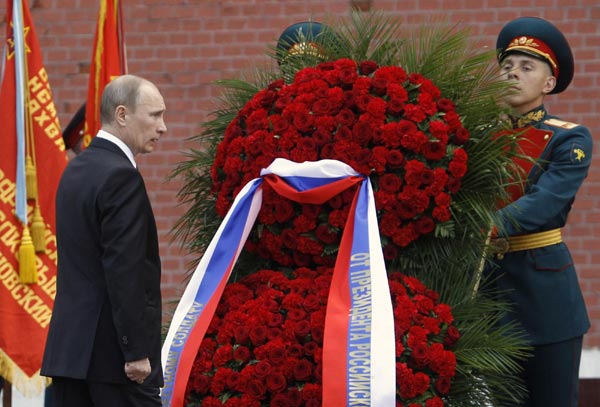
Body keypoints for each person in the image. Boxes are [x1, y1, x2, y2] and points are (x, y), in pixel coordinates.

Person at [41, 74, 167, 407]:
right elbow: (124, 269)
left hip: (70, 356)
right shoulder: (121, 175)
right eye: (154, 115)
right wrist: (136, 351)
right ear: (122, 115)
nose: (163, 126)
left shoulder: (76, 169)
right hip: (116, 364)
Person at [489, 17, 592, 406]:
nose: (513, 73)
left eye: (526, 67)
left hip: (546, 299)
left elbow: (544, 202)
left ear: (548, 84)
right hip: (490, 298)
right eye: (507, 67)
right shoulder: (479, 136)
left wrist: (484, 226)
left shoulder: (569, 137)